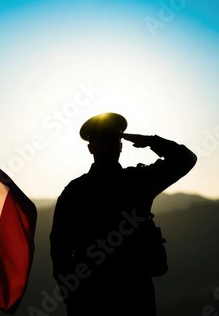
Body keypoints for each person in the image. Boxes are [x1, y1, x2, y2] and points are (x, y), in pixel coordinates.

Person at [49, 112, 197, 315]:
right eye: (103, 141)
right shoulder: (75, 191)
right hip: (93, 298)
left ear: (121, 145)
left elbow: (185, 159)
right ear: (91, 147)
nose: (109, 146)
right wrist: (71, 294)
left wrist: (151, 141)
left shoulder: (137, 180)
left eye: (114, 141)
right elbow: (59, 248)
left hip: (134, 295)